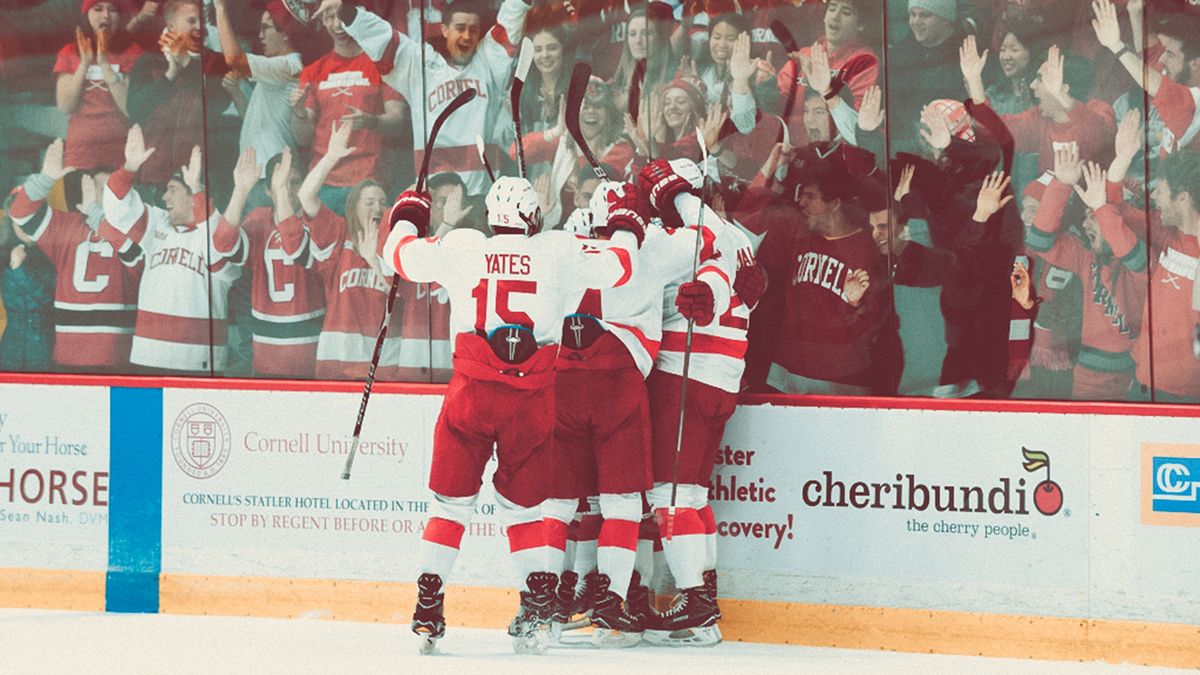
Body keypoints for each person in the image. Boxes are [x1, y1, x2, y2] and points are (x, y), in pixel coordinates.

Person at [378, 175, 641, 653]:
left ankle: (428, 603)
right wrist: (624, 223)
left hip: (471, 392)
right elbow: (621, 268)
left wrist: (408, 215)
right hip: (531, 399)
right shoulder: (558, 250)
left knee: (449, 506)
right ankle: (537, 606)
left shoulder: (463, 245)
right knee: (526, 510)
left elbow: (395, 257)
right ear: (534, 217)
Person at [543, 178, 735, 646]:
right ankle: (616, 600)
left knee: (566, 504)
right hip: (621, 385)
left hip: (561, 382)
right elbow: (714, 238)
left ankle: (551, 601)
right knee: (628, 504)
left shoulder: (558, 249)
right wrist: (675, 197)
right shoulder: (652, 246)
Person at [635, 158, 758, 646]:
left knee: (672, 496)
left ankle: (697, 609)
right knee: (696, 496)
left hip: (686, 376)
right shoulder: (741, 236)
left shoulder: (704, 233)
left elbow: (712, 272)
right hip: (723, 379)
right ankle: (703, 594)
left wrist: (703, 294)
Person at [321, 0, 532, 197]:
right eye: (460, 28)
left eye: (474, 30)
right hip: (433, 195)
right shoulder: (420, 65)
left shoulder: (489, 61)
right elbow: (377, 34)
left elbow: (512, 18)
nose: (467, 36)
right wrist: (345, 6)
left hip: (480, 196)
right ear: (444, 30)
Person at [101, 125, 246, 374]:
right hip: (148, 354)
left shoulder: (223, 230)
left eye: (173, 190)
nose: (165, 198)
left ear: (194, 197)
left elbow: (221, 243)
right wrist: (129, 168)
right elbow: (116, 210)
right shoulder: (155, 221)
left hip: (198, 360)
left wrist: (199, 191)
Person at [1025, 139, 1146, 400]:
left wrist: (1103, 209)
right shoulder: (1086, 253)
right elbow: (1038, 242)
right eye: (1088, 214)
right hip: (1088, 375)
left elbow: (1134, 258)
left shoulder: (1144, 260)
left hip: (1139, 379)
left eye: (1096, 215)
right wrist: (1062, 183)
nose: (1089, 223)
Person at [9, 139, 139, 372]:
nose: (110, 197)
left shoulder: (137, 228)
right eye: (102, 190)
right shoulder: (67, 225)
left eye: (116, 190)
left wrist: (95, 213)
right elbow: (20, 214)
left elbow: (135, 255)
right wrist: (46, 178)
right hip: (68, 353)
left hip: (117, 355)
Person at [296, 121, 398, 381]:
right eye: (369, 202)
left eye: (382, 202)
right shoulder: (340, 233)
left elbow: (401, 301)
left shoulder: (394, 243)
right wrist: (330, 157)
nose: (377, 208)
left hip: (382, 361)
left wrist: (373, 259)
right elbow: (306, 195)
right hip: (337, 358)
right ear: (353, 206)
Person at [213, 147, 326, 378]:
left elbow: (297, 244)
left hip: (311, 349)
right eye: (279, 183)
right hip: (267, 351)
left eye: (294, 182)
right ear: (266, 190)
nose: (287, 188)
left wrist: (281, 189)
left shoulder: (319, 219)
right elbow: (223, 244)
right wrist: (241, 190)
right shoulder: (259, 219)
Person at [292, 1, 404, 215]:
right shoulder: (313, 71)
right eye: (329, 18)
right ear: (321, 22)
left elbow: (398, 120)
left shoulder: (381, 63)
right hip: (323, 182)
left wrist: (372, 121)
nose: (337, 25)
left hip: (368, 181)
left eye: (341, 16)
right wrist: (298, 112)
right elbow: (302, 138)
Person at [126, 0, 231, 190]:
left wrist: (188, 67)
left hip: (195, 177)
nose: (199, 27)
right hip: (150, 177)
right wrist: (169, 76)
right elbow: (134, 109)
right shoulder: (149, 60)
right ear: (171, 25)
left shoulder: (214, 62)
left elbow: (219, 104)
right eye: (191, 21)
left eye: (202, 21)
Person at [211, 0, 317, 181]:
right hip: (258, 172)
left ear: (285, 34)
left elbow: (235, 59)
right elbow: (253, 120)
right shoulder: (276, 71)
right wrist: (237, 93)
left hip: (271, 173)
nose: (260, 36)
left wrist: (221, 9)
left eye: (266, 28)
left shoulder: (289, 65)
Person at [55, 0, 143, 172]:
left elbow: (130, 109)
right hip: (80, 154)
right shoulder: (69, 51)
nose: (106, 16)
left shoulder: (133, 51)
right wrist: (84, 64)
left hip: (120, 152)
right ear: (86, 14)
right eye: (98, 9)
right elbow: (65, 105)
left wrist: (104, 64)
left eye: (113, 10)